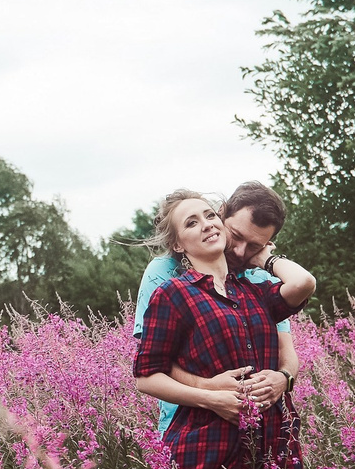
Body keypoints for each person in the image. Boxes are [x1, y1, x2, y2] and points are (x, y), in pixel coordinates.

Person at [130, 188, 317, 469]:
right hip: (206, 444)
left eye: (208, 217)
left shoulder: (255, 288)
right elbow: (148, 372)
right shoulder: (170, 290)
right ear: (179, 246)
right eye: (192, 222)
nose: (207, 226)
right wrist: (212, 394)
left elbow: (304, 284)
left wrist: (266, 258)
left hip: (271, 444)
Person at [131, 181, 311, 432]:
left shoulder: (260, 277)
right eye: (236, 236)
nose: (239, 251)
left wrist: (283, 379)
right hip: (190, 425)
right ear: (223, 212)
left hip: (261, 428)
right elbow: (151, 363)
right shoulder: (165, 275)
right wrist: (211, 389)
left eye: (254, 246)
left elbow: (285, 348)